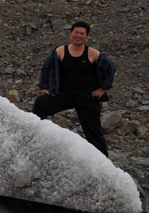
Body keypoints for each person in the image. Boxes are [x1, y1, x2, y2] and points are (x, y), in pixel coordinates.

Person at [33, 21, 116, 156]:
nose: (78, 35)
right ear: (71, 34)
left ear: (86, 37)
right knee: (41, 103)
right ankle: (38, 137)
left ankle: (104, 166)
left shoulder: (92, 53)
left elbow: (110, 69)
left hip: (87, 97)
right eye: (76, 32)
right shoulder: (61, 51)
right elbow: (46, 68)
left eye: (82, 34)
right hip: (66, 94)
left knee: (94, 134)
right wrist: (45, 87)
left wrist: (103, 89)